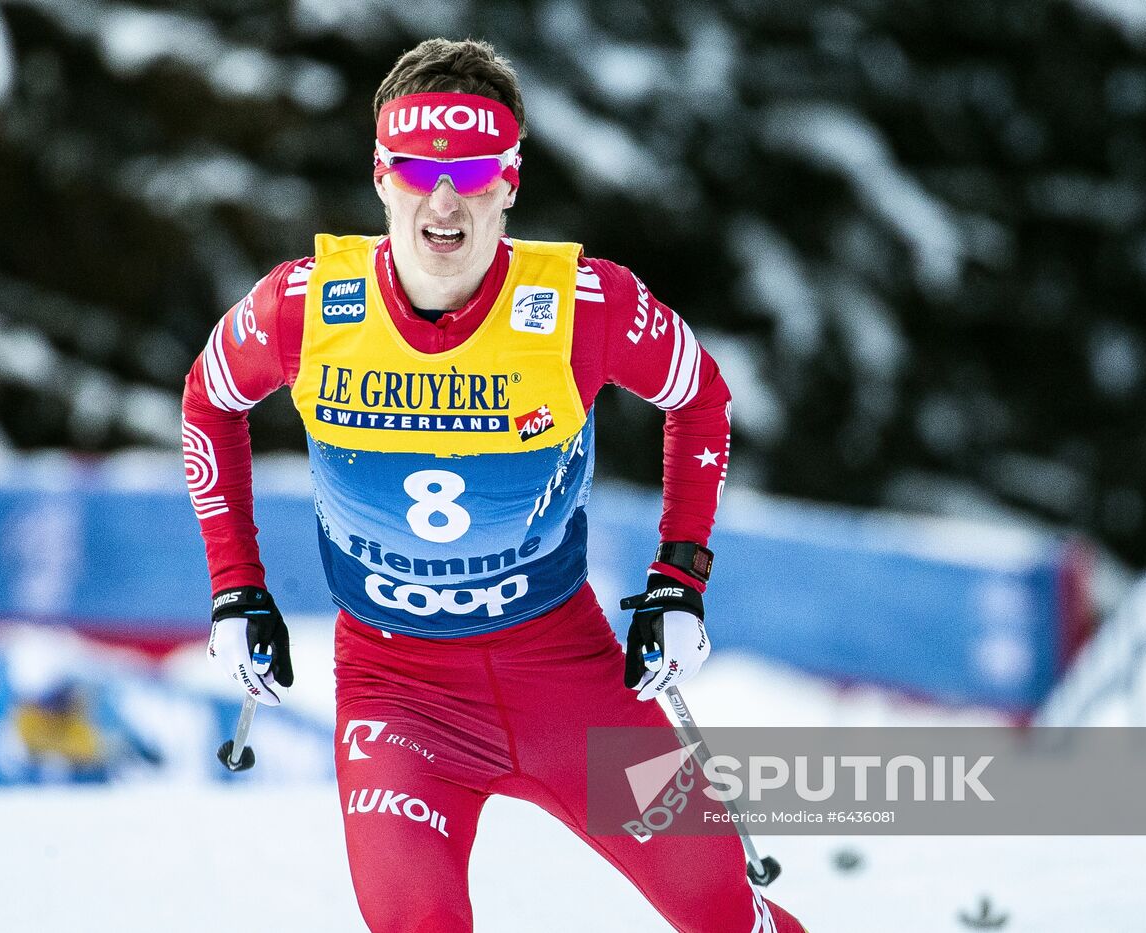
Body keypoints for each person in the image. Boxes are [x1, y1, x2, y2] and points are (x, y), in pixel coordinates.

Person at [184, 37, 806, 933]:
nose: (444, 200)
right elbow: (210, 401)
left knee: (722, 914)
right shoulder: (306, 305)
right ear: (381, 175)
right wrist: (237, 589)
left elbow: (700, 397)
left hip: (567, 676)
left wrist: (681, 579)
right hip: (398, 692)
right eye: (418, 169)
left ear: (510, 180)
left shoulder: (585, 306)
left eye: (472, 171)